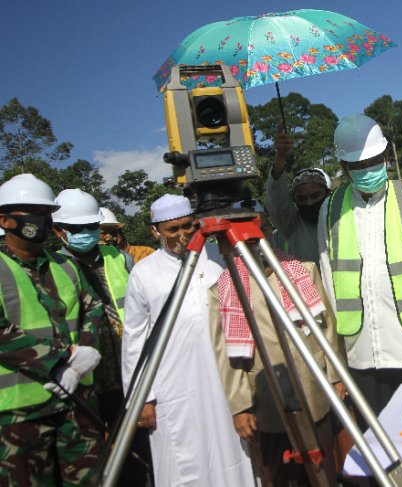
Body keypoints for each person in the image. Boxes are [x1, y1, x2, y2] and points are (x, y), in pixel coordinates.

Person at [318, 114, 402, 426]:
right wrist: (336, 361)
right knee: (379, 445)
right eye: (357, 165)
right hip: (361, 352)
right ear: (344, 166)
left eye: (373, 161)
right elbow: (328, 281)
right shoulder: (330, 209)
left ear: (384, 157)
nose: (366, 170)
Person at [121, 194, 257, 485]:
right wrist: (142, 399)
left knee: (234, 453)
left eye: (187, 227)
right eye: (173, 230)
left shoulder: (216, 262)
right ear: (155, 231)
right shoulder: (144, 274)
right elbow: (134, 341)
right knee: (185, 460)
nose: (182, 235)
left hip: (224, 380)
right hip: (173, 387)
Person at [209, 209, 345, 485]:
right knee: (279, 474)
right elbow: (226, 355)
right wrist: (240, 406)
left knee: (322, 471)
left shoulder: (302, 270)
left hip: (313, 387)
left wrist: (336, 377)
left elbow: (327, 327)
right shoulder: (222, 289)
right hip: (266, 399)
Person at [0, 174, 104, 485]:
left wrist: (87, 351)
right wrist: (63, 357)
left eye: (46, 213)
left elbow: (92, 308)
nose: (42, 220)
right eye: (31, 212)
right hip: (20, 414)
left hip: (77, 403)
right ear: (4, 220)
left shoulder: (66, 265)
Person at [52, 189, 152, 483]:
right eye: (76, 229)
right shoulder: (52, 267)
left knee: (138, 450)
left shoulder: (120, 258)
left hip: (126, 372)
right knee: (93, 455)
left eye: (91, 227)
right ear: (59, 231)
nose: (85, 233)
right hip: (84, 380)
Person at [265, 127, 332, 263]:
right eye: (302, 199)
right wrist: (280, 157)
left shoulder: (341, 218)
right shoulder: (292, 224)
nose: (309, 203)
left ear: (327, 194)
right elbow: (276, 199)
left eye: (315, 196)